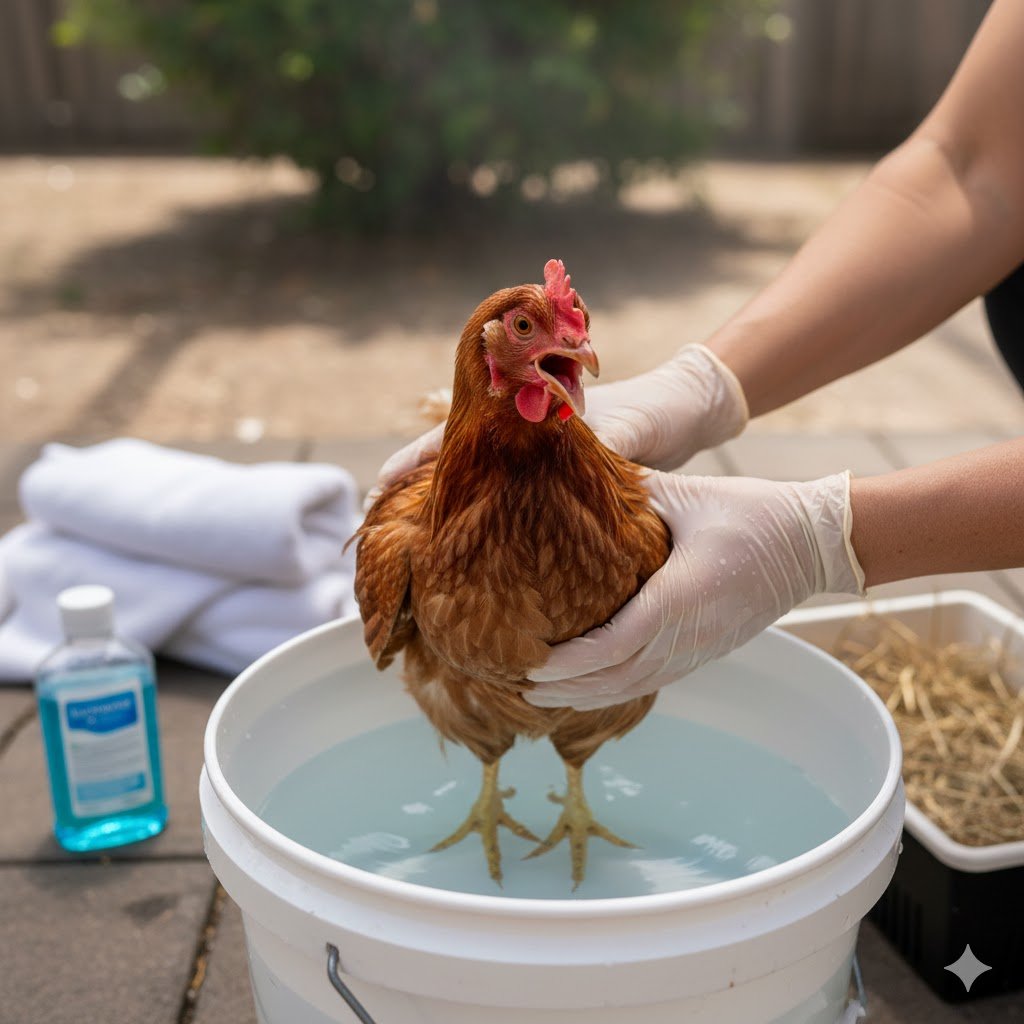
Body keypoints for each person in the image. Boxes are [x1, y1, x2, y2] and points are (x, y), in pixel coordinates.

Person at [375, 0, 1024, 711]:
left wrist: (829, 539)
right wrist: (705, 384)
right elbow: (974, 170)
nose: (574, 350)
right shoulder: (411, 546)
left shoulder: (625, 536)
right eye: (531, 332)